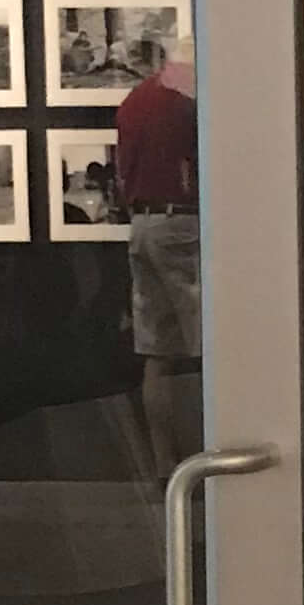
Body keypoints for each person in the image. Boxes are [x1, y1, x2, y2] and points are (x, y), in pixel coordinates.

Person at [113, 27, 201, 485]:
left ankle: (164, 466)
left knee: (158, 353)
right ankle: (214, 461)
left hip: (143, 225)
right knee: (212, 346)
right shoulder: (188, 101)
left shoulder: (135, 99)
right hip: (185, 225)